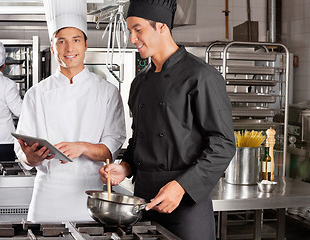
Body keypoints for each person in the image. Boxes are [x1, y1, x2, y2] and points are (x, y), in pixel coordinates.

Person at [99, 0, 236, 239]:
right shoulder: (139, 82)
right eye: (130, 31)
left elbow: (223, 144)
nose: (132, 39)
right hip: (143, 205)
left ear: (161, 26)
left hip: (186, 204)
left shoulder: (201, 77)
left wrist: (181, 187)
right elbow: (139, 141)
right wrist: (124, 167)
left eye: (138, 29)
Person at [14, 0, 126, 222]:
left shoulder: (107, 92)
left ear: (86, 44)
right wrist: (30, 158)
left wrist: (82, 147)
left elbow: (111, 149)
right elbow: (23, 152)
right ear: (53, 47)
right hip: (48, 195)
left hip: (92, 197)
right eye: (61, 41)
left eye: (76, 40)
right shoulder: (36, 94)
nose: (69, 49)